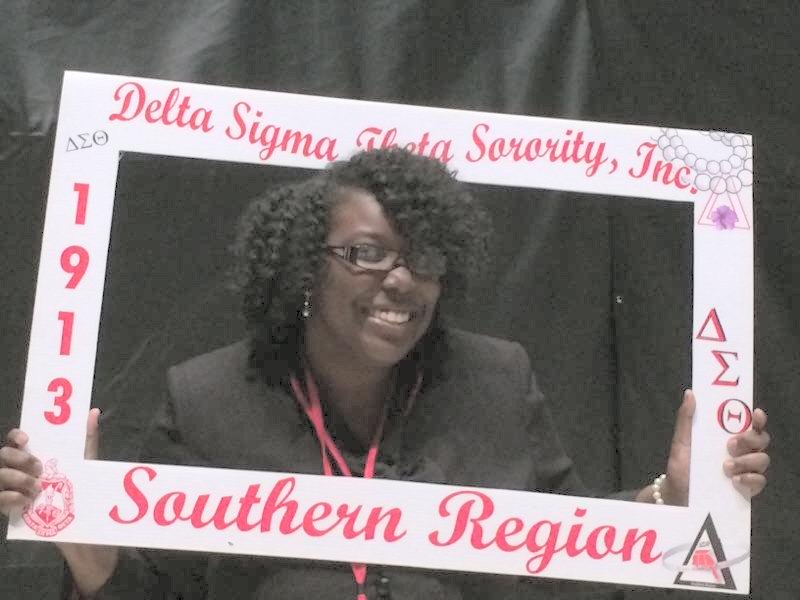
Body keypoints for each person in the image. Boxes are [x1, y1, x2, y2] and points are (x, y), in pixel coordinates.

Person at [1, 149, 770, 599]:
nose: (401, 280)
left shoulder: (497, 381)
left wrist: (671, 500)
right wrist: (80, 529)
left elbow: (567, 551)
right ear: (307, 266)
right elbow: (156, 588)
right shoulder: (207, 398)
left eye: (421, 257)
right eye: (366, 253)